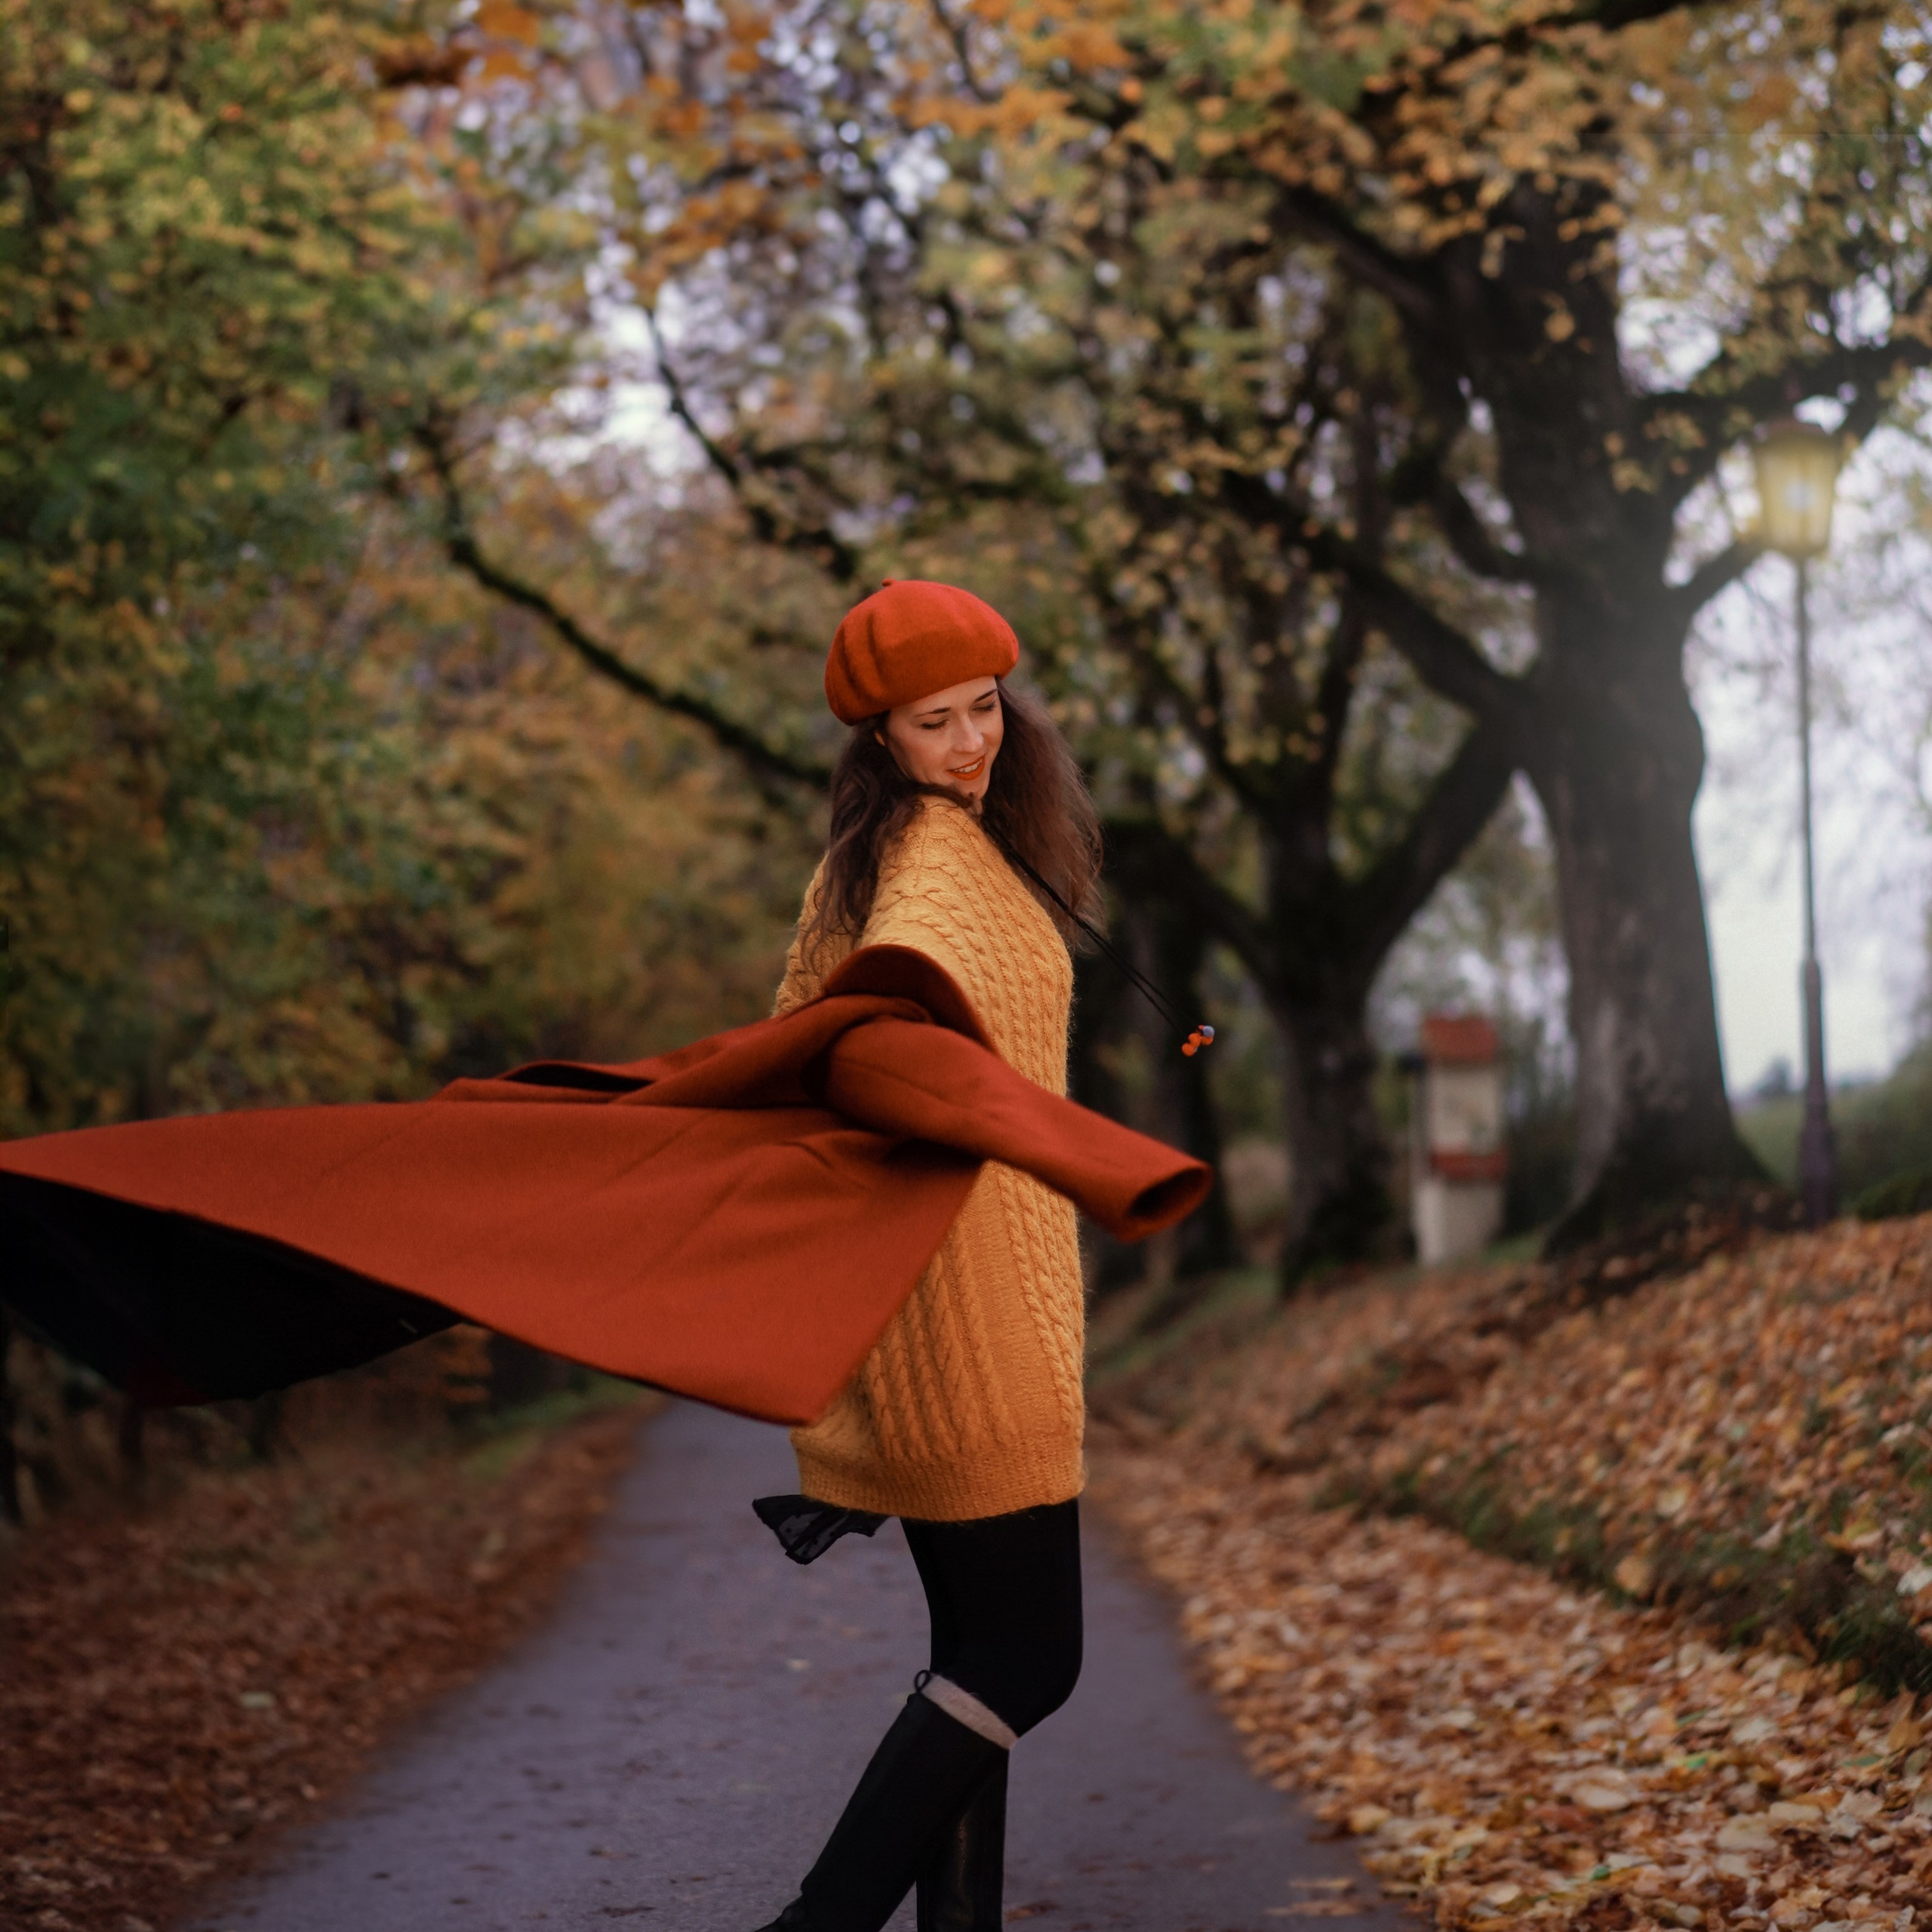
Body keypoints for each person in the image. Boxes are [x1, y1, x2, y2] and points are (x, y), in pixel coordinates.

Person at [754, 579, 1104, 1932]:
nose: (971, 743)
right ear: (879, 738)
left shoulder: (927, 843)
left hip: (967, 1288)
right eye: (933, 723)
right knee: (1034, 1654)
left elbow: (807, 1012)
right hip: (966, 1308)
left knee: (978, 1655)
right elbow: (890, 988)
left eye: (984, 710)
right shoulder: (927, 866)